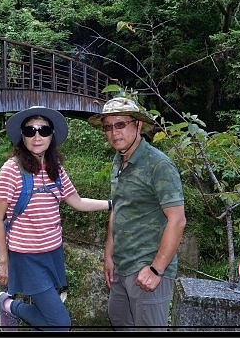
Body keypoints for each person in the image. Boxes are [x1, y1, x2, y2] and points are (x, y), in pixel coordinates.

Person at [0, 106, 111, 332]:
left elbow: (77, 202)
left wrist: (111, 204)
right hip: (26, 256)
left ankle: (10, 307)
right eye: (30, 131)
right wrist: (4, 262)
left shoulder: (56, 169)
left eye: (43, 130)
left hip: (51, 252)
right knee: (60, 323)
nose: (37, 136)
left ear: (52, 134)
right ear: (22, 136)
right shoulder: (11, 170)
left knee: (46, 318)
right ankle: (8, 305)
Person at [88, 97, 186, 331]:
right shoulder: (119, 160)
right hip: (122, 265)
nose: (114, 132)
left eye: (120, 124)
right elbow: (118, 209)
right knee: (119, 319)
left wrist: (156, 269)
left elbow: (178, 220)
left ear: (138, 125)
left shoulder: (158, 165)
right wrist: (109, 255)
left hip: (147, 267)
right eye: (108, 127)